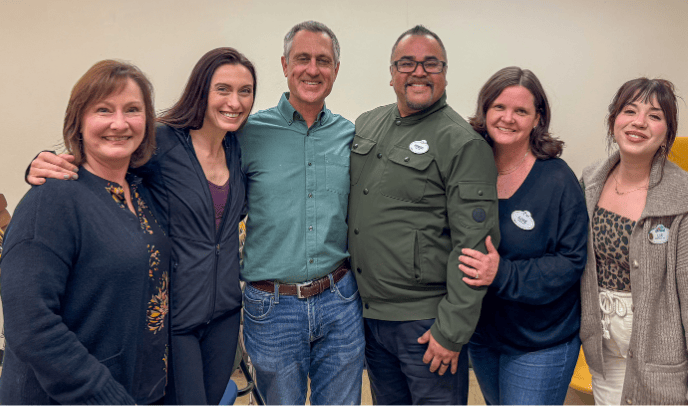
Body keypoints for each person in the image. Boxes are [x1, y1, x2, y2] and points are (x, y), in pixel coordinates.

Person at [25, 47, 255, 405]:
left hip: (225, 313)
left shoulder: (238, 147)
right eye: (222, 88)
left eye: (245, 91)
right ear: (201, 90)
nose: (235, 101)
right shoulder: (163, 143)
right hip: (176, 317)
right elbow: (100, 158)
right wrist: (42, 163)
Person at [0, 60, 170, 404]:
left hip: (136, 387)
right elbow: (30, 325)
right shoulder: (51, 199)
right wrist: (106, 396)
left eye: (133, 110)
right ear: (78, 120)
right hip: (74, 396)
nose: (119, 123)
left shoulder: (141, 189)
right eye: (103, 110)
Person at [348, 25, 500, 405]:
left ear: (445, 73)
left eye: (430, 63)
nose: (418, 72)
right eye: (407, 63)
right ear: (391, 73)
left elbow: (475, 247)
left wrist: (451, 330)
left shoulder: (462, 142)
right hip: (369, 316)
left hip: (426, 323)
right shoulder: (368, 123)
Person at [238, 21, 364, 405]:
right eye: (302, 59)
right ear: (284, 65)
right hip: (272, 308)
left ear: (336, 70)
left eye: (323, 60)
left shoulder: (351, 136)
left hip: (340, 301)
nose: (313, 69)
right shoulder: (246, 134)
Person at [579, 78, 688, 405]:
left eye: (654, 116)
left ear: (667, 131)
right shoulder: (589, 181)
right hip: (605, 352)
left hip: (663, 361)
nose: (639, 122)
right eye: (629, 111)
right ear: (614, 119)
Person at [458, 67, 588, 405]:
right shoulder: (469, 170)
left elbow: (571, 261)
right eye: (499, 107)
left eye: (521, 111)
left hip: (541, 340)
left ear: (537, 118)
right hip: (483, 336)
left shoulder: (557, 179)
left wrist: (502, 273)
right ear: (485, 110)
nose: (508, 118)